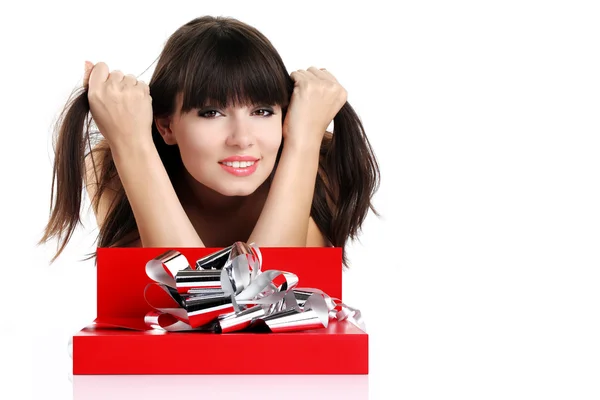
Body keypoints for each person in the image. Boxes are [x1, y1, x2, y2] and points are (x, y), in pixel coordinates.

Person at [39, 15, 380, 268]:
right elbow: (189, 308)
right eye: (211, 113)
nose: (242, 139)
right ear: (165, 125)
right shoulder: (115, 161)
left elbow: (264, 304)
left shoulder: (320, 161)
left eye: (262, 111)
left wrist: (303, 140)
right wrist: (131, 144)